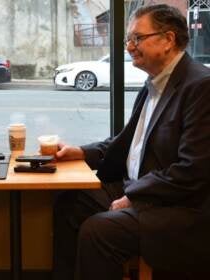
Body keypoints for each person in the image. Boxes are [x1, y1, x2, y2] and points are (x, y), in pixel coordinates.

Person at [52, 4, 210, 280]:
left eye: (137, 38)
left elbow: (193, 170)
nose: (129, 46)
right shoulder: (154, 83)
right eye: (128, 39)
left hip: (179, 207)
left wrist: (135, 195)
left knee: (99, 231)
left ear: (168, 39)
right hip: (137, 187)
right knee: (69, 202)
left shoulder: (200, 86)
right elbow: (128, 143)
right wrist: (79, 152)